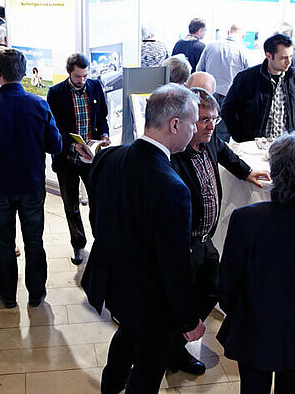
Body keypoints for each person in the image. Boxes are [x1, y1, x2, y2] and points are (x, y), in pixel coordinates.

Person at [81, 84, 205, 393]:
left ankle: (110, 386)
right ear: (175, 124)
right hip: (152, 298)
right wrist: (190, 321)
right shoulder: (173, 187)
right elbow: (174, 265)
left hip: (114, 284)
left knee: (125, 338)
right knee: (149, 367)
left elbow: (97, 222)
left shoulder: (109, 157)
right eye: (192, 123)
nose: (194, 131)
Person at [218, 133, 295, 394]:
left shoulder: (247, 219)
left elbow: (228, 284)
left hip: (254, 326)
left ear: (278, 173)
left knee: (253, 389)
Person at [169, 88, 270, 375]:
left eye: (214, 119)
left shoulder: (211, 142)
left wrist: (246, 171)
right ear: (186, 120)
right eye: (203, 120)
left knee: (212, 288)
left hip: (205, 239)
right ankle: (172, 350)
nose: (210, 125)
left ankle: (179, 340)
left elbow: (225, 152)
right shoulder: (175, 152)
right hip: (184, 244)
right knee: (178, 301)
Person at [0, 48, 62, 308]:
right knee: (34, 241)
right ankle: (36, 294)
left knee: (4, 242)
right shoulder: (39, 104)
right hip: (31, 184)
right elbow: (56, 145)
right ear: (23, 72)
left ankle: (7, 295)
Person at [47, 53, 110, 264]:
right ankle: (78, 244)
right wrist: (74, 145)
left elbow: (102, 117)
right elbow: (54, 128)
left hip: (91, 158)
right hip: (67, 160)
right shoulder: (56, 93)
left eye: (84, 76)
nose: (82, 81)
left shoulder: (95, 87)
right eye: (77, 76)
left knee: (98, 202)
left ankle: (101, 242)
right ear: (69, 73)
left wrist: (104, 136)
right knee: (71, 205)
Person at [221, 34, 295, 143]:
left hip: (285, 145)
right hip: (254, 145)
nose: (288, 62)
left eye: (290, 56)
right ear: (269, 55)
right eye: (283, 58)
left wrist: (291, 123)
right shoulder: (246, 78)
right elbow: (228, 110)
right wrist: (240, 136)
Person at [196, 24, 249, 141]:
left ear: (228, 32)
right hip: (230, 98)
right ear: (243, 36)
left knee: (205, 132)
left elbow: (199, 71)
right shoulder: (243, 52)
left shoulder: (211, 46)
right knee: (222, 137)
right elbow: (248, 81)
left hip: (208, 96)